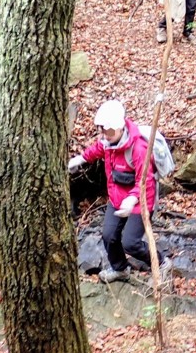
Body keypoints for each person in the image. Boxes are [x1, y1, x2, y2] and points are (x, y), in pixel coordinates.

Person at [68, 100, 171, 282]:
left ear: (120, 128)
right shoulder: (109, 142)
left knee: (130, 243)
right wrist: (80, 159)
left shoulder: (138, 148)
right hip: (116, 198)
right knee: (109, 236)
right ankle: (120, 269)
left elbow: (145, 182)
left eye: (107, 131)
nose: (104, 136)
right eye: (101, 131)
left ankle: (162, 263)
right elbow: (97, 149)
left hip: (141, 202)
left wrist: (132, 200)